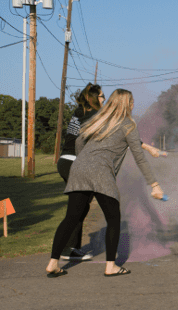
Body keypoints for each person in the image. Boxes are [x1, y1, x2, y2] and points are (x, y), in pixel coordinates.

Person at [46, 89, 164, 278]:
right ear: (127, 104)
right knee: (113, 218)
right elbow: (139, 158)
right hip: (100, 171)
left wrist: (85, 159)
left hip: (79, 167)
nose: (133, 105)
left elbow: (78, 142)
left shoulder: (99, 120)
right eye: (132, 102)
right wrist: (155, 184)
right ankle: (111, 266)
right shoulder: (128, 125)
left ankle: (53, 263)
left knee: (71, 217)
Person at [56, 83, 105, 261]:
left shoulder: (80, 111)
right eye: (101, 96)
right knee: (77, 208)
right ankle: (64, 249)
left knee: (80, 206)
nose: (104, 99)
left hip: (66, 162)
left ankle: (71, 248)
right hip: (73, 163)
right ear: (93, 98)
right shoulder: (91, 113)